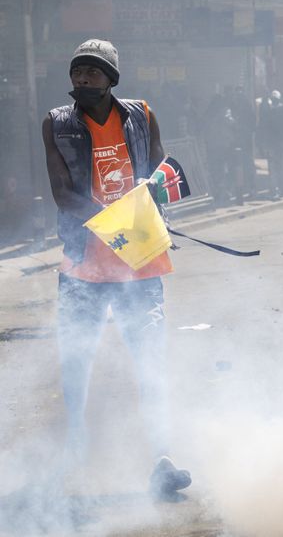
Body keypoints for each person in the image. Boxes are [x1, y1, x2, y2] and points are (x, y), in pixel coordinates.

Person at [40, 39, 191, 500]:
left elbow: (162, 166)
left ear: (111, 78)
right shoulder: (57, 123)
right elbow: (62, 192)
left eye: (92, 71)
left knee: (150, 360)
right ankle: (75, 453)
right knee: (76, 360)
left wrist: (152, 190)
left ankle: (162, 458)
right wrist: (112, 217)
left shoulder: (141, 114)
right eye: (77, 71)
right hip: (84, 262)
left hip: (141, 262)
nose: (82, 79)